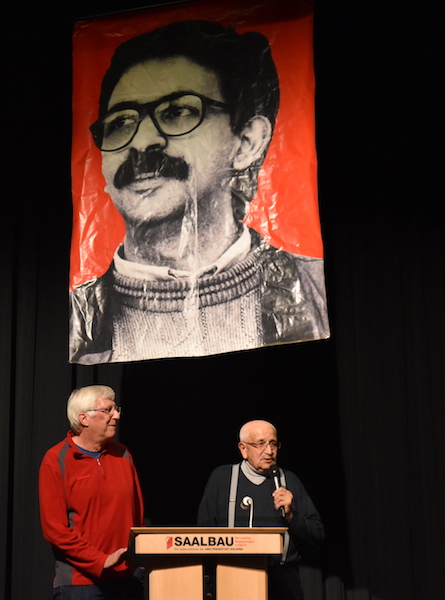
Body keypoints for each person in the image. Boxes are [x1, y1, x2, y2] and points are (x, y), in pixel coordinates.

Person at [69, 20, 329, 365]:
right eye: (120, 123)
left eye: (177, 112)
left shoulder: (316, 292)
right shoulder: (75, 321)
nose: (142, 142)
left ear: (247, 142)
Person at [197, 420, 324, 600]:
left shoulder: (289, 480)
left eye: (273, 444)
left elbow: (316, 537)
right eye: (260, 444)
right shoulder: (222, 478)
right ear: (243, 449)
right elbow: (204, 534)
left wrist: (291, 516)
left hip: (282, 583)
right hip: (232, 578)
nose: (269, 451)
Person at [38, 385, 144, 599]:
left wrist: (139, 559)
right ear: (84, 418)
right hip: (81, 584)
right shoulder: (56, 459)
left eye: (116, 409)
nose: (116, 415)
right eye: (108, 410)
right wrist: (100, 561)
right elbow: (55, 530)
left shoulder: (123, 455)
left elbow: (137, 515)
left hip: (127, 580)